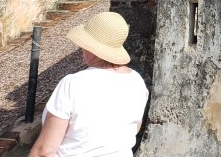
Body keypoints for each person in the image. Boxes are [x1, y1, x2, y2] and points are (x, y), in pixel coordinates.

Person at [30, 11, 149, 157]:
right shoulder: (136, 82)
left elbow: (44, 151)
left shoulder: (73, 84)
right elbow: (134, 129)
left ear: (93, 48)